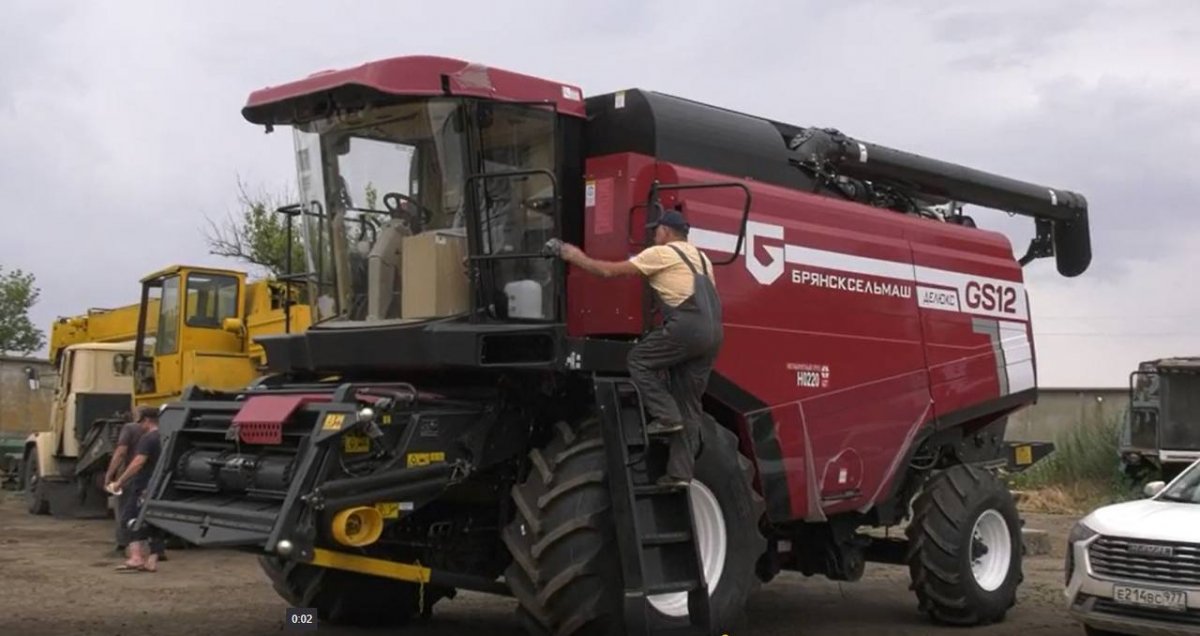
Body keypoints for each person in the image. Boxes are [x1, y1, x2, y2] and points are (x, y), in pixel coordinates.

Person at [553, 206, 723, 487]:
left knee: (639, 360)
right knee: (689, 405)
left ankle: (666, 416)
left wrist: (573, 255)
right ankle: (680, 474)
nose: (654, 234)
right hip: (714, 333)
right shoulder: (701, 258)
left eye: (657, 230)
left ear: (666, 231)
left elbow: (607, 272)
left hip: (687, 327)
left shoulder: (661, 253)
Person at [108, 407, 164, 572]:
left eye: (141, 422)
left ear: (146, 420)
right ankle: (152, 561)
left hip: (143, 485)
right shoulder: (166, 437)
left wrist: (120, 480)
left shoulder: (148, 438)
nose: (140, 426)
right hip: (160, 485)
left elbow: (138, 462)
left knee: (130, 518)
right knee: (155, 520)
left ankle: (136, 557)